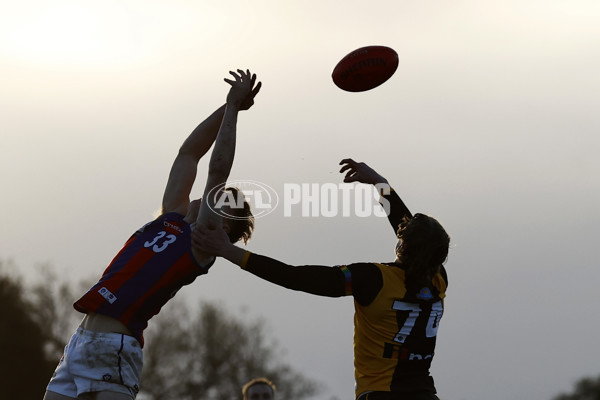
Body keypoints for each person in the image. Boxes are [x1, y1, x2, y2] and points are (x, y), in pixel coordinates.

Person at [43, 69, 262, 400]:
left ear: (221, 229)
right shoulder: (171, 215)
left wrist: (233, 111)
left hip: (115, 347)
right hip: (79, 343)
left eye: (223, 207)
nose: (215, 199)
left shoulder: (200, 242)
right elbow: (189, 153)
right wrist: (228, 105)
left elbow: (217, 169)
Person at [193, 159, 450, 400]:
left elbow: (295, 277)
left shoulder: (373, 279)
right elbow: (414, 239)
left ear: (402, 245)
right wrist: (379, 184)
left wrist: (229, 251)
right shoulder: (439, 280)